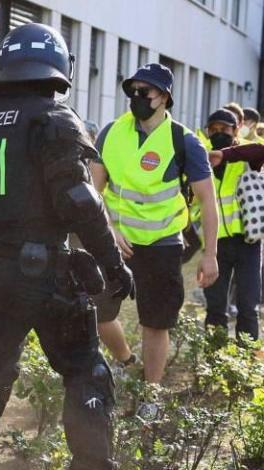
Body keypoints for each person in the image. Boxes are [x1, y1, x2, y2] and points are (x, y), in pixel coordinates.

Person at [0, 23, 143, 470]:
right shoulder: (54, 118)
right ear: (59, 67)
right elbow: (77, 199)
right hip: (45, 273)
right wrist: (113, 264)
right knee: (85, 373)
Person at [92, 63, 219, 389]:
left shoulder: (184, 141)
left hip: (163, 243)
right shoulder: (110, 133)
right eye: (132, 91)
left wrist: (210, 255)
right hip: (117, 242)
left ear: (163, 97)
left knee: (155, 323)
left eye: (144, 92)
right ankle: (125, 361)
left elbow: (207, 200)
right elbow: (93, 191)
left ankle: (151, 393)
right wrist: (109, 229)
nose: (136, 97)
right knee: (98, 313)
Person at [203, 110, 264, 341]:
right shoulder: (204, 160)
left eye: (225, 129)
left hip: (248, 243)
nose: (219, 134)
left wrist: (225, 154)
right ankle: (214, 361)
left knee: (248, 307)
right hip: (215, 245)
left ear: (236, 129)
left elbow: (261, 150)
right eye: (214, 130)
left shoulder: (248, 155)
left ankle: (243, 363)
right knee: (216, 307)